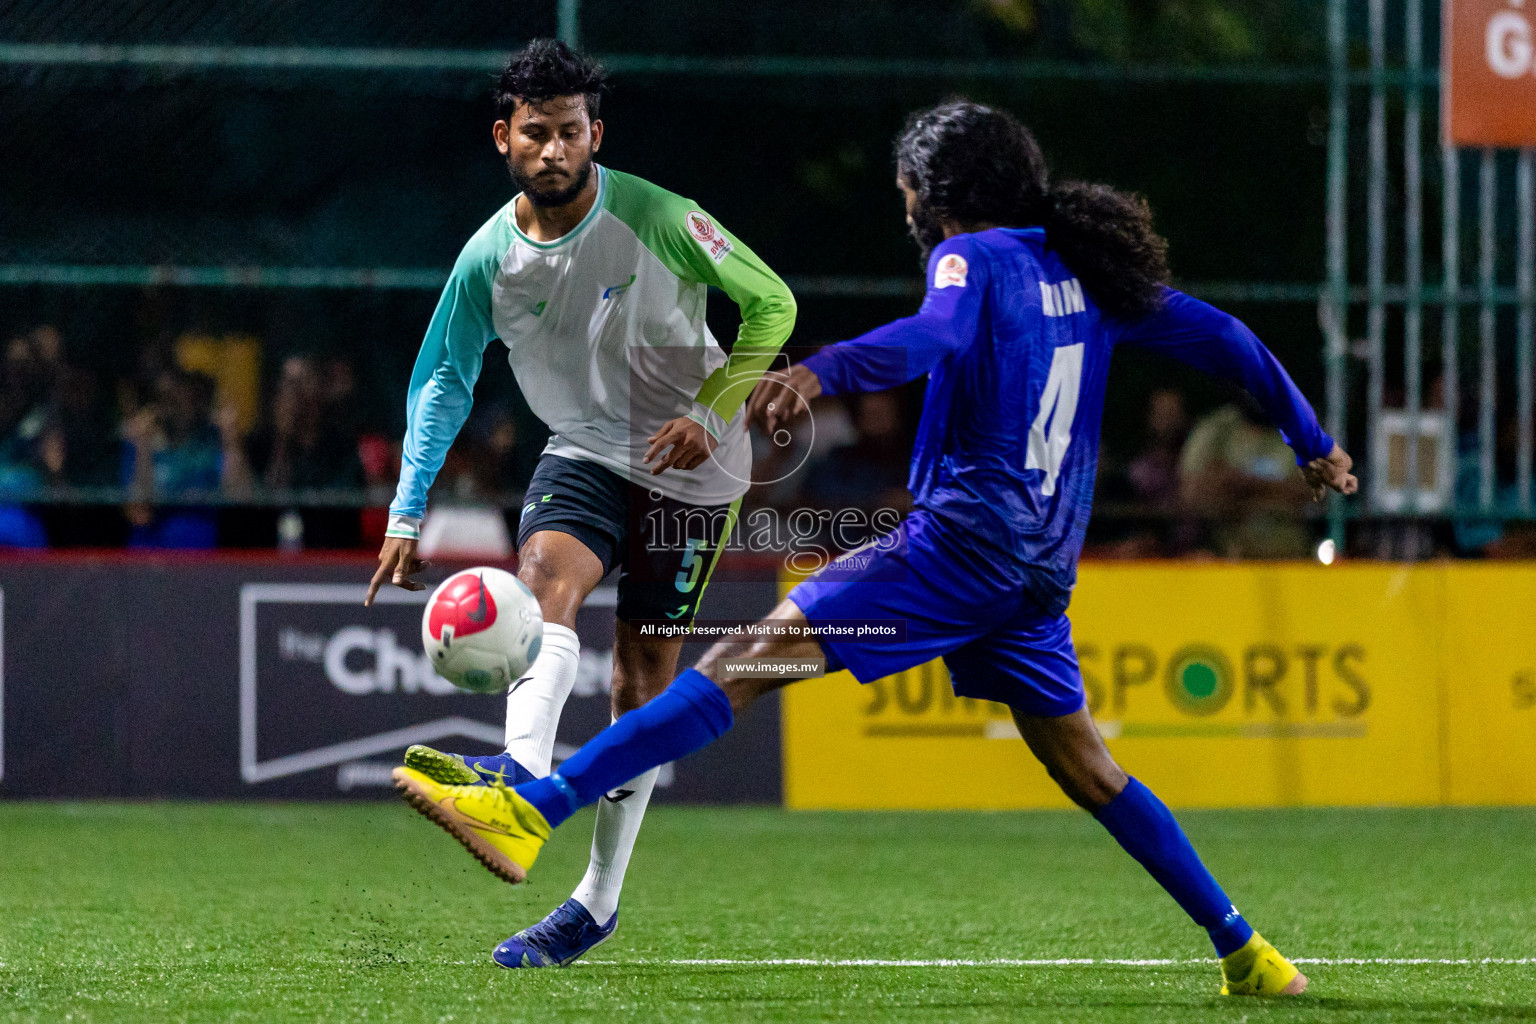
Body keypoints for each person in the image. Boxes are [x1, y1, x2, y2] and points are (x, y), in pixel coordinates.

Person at [392, 99, 1358, 994]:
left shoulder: (970, 258)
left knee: (731, 669)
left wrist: (821, 372)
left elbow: (936, 336)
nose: (908, 217)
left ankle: (537, 805)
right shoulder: (1088, 276)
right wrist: (1310, 441)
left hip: (956, 548)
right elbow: (1230, 339)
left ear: (943, 198)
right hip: (1036, 573)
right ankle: (1248, 952)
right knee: (1089, 769)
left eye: (910, 199)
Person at [365, 40, 796, 968]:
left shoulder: (661, 216)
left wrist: (717, 411)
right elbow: (443, 378)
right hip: (585, 451)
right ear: (502, 138)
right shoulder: (489, 258)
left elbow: (771, 305)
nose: (554, 150)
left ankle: (596, 902)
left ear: (595, 134)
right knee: (543, 583)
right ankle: (518, 789)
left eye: (570, 133)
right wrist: (406, 512)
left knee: (640, 683)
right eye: (535, 134)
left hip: (697, 465)